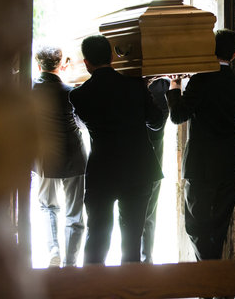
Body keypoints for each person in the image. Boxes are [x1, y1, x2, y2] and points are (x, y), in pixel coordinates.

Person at [69, 35, 164, 265]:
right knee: (132, 240)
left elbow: (84, 123)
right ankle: (130, 290)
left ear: (86, 63)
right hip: (137, 171)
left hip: (103, 173)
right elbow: (156, 122)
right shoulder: (134, 86)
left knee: (98, 237)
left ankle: (95, 290)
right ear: (112, 57)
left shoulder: (79, 95)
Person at [166, 28, 235, 261]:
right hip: (228, 163)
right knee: (219, 228)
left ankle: (208, 280)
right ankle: (214, 282)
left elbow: (178, 116)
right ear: (234, 55)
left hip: (200, 163)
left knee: (196, 226)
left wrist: (175, 84)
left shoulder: (200, 80)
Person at [32, 45, 87, 267]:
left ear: (38, 66)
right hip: (74, 155)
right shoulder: (71, 91)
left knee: (48, 207)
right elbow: (83, 124)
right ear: (61, 65)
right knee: (75, 214)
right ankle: (71, 263)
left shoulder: (30, 89)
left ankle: (54, 251)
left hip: (46, 157)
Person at [141, 77, 170, 263]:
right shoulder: (160, 88)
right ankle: (145, 260)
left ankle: (144, 260)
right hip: (149, 162)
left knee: (147, 214)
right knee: (148, 214)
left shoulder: (159, 88)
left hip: (146, 162)